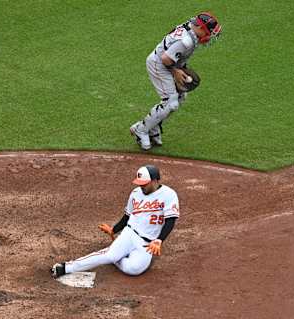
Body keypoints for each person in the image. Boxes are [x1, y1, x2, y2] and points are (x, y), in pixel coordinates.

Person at [51, 165, 180, 277]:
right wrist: (114, 230)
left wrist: (159, 240)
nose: (141, 186)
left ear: (155, 180)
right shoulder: (135, 193)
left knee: (133, 269)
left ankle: (116, 254)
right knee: (109, 256)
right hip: (130, 234)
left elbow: (170, 220)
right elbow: (127, 216)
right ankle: (66, 267)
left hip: (147, 243)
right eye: (139, 183)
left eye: (144, 183)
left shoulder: (169, 195)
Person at [130, 12, 222, 150]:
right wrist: (176, 71)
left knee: (180, 97)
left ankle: (153, 129)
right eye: (209, 32)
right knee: (170, 102)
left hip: (170, 63)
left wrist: (181, 69)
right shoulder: (187, 41)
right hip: (159, 64)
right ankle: (141, 129)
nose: (209, 37)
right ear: (201, 28)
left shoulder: (192, 30)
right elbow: (165, 59)